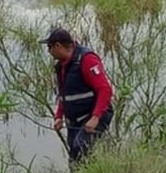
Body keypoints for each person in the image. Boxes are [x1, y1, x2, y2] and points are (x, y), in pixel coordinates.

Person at [42, 27, 114, 165]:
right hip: (75, 119)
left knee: (79, 151)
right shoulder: (62, 66)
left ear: (58, 46)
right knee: (75, 154)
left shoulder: (87, 60)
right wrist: (58, 116)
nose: (49, 51)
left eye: (49, 47)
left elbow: (105, 90)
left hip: (93, 116)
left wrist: (95, 118)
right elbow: (65, 94)